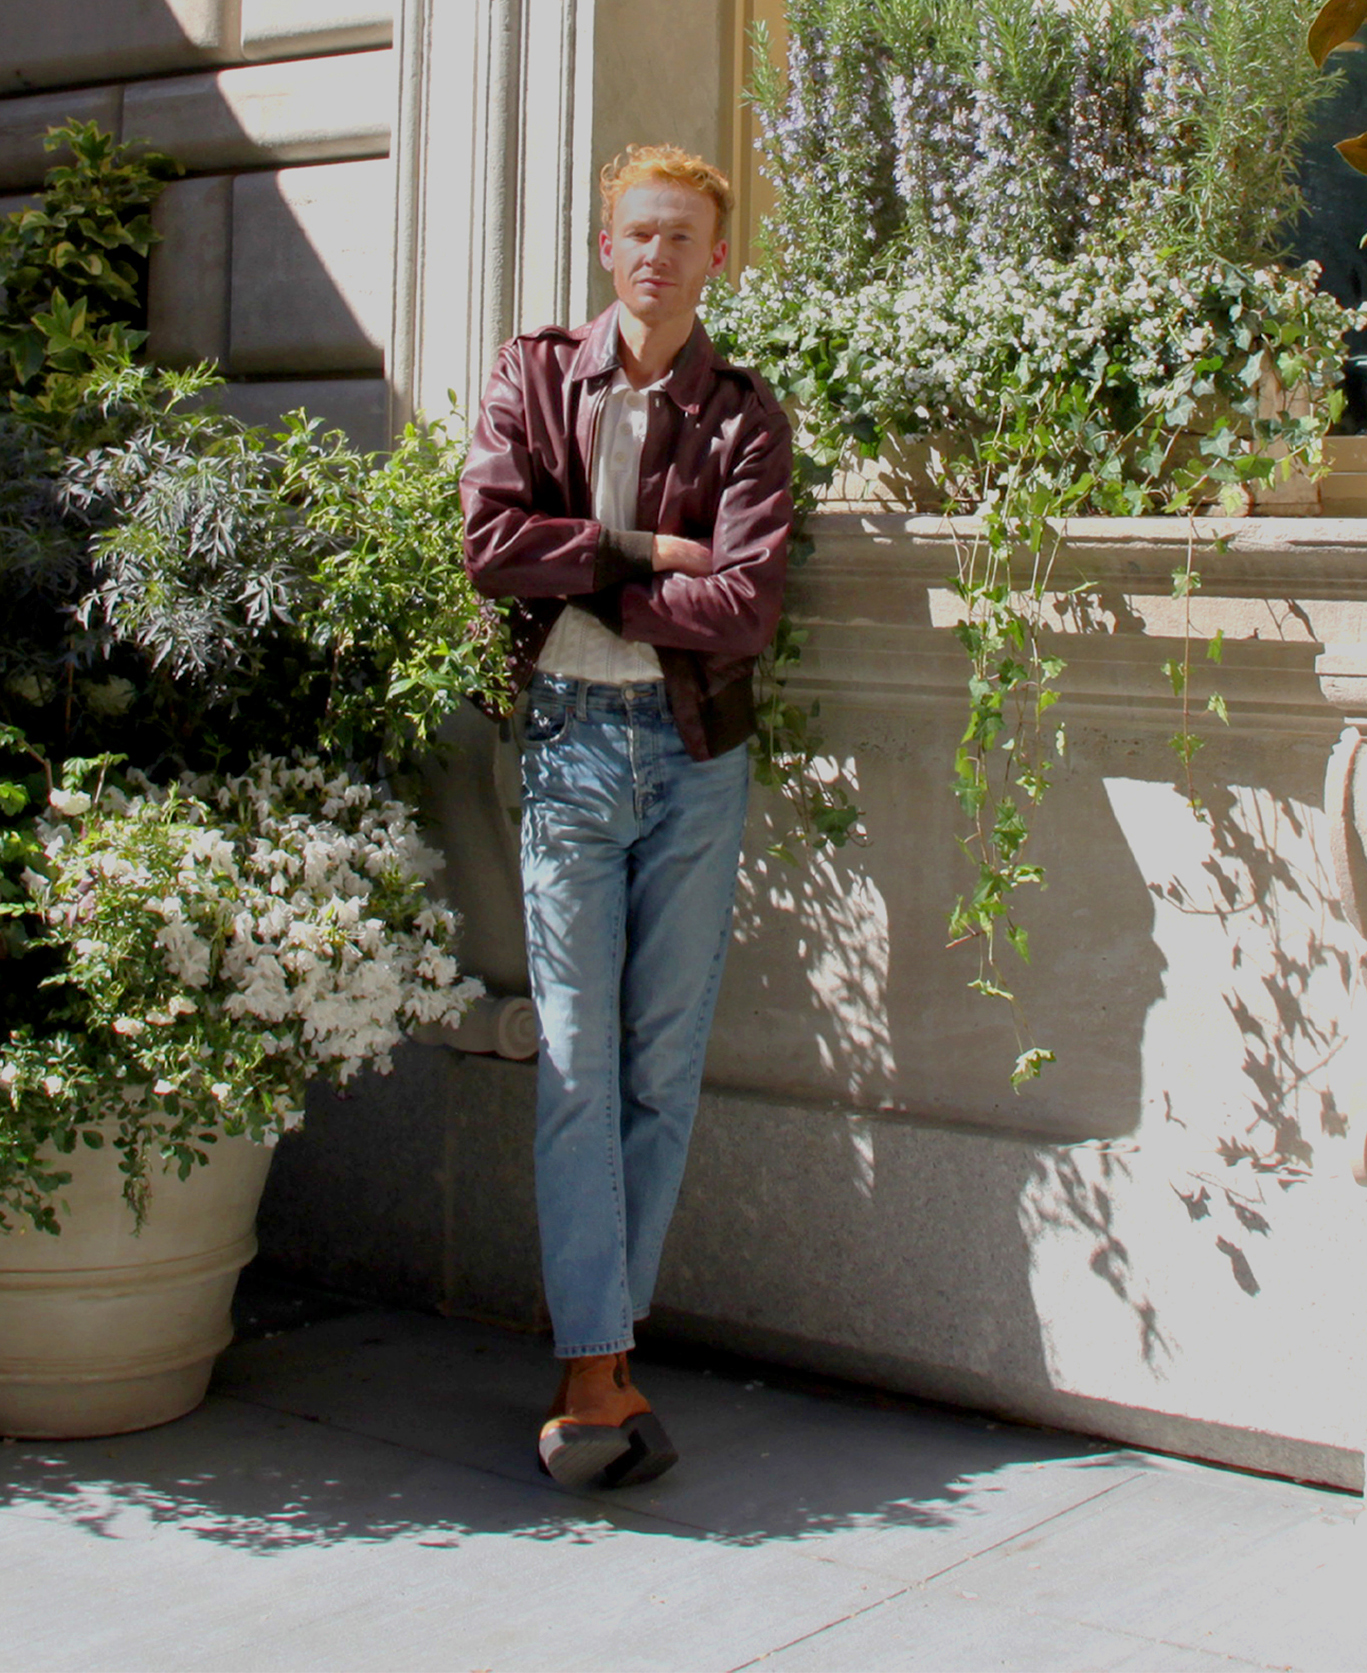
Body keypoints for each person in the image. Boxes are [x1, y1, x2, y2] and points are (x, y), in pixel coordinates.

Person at [460, 143, 792, 1490]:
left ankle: (597, 1361)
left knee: (662, 1065)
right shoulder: (537, 374)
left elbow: (747, 607)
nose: (656, 256)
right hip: (570, 751)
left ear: (721, 258)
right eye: (636, 235)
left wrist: (582, 571)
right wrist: (647, 553)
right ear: (608, 251)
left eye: (683, 237)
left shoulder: (746, 416)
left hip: (695, 754)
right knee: (581, 1061)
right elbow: (490, 543)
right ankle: (596, 1366)